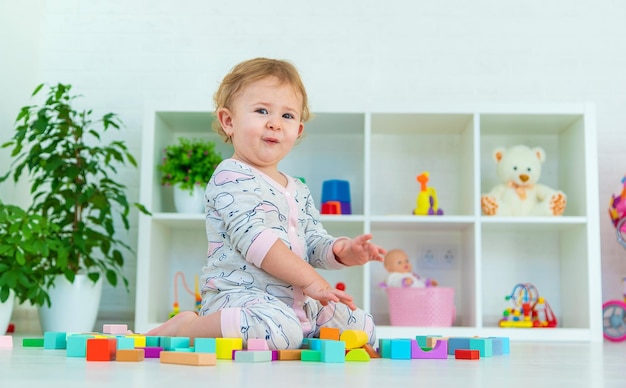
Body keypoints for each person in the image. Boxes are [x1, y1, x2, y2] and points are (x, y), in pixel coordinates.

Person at [146, 57, 386, 350]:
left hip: (297, 304)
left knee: (363, 327)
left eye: (287, 116)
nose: (274, 123)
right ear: (229, 121)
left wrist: (342, 250)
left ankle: (303, 333)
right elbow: (256, 241)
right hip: (241, 298)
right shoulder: (230, 175)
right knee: (280, 331)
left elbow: (312, 243)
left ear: (297, 130)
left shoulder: (297, 188)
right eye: (262, 111)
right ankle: (189, 327)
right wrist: (312, 281)